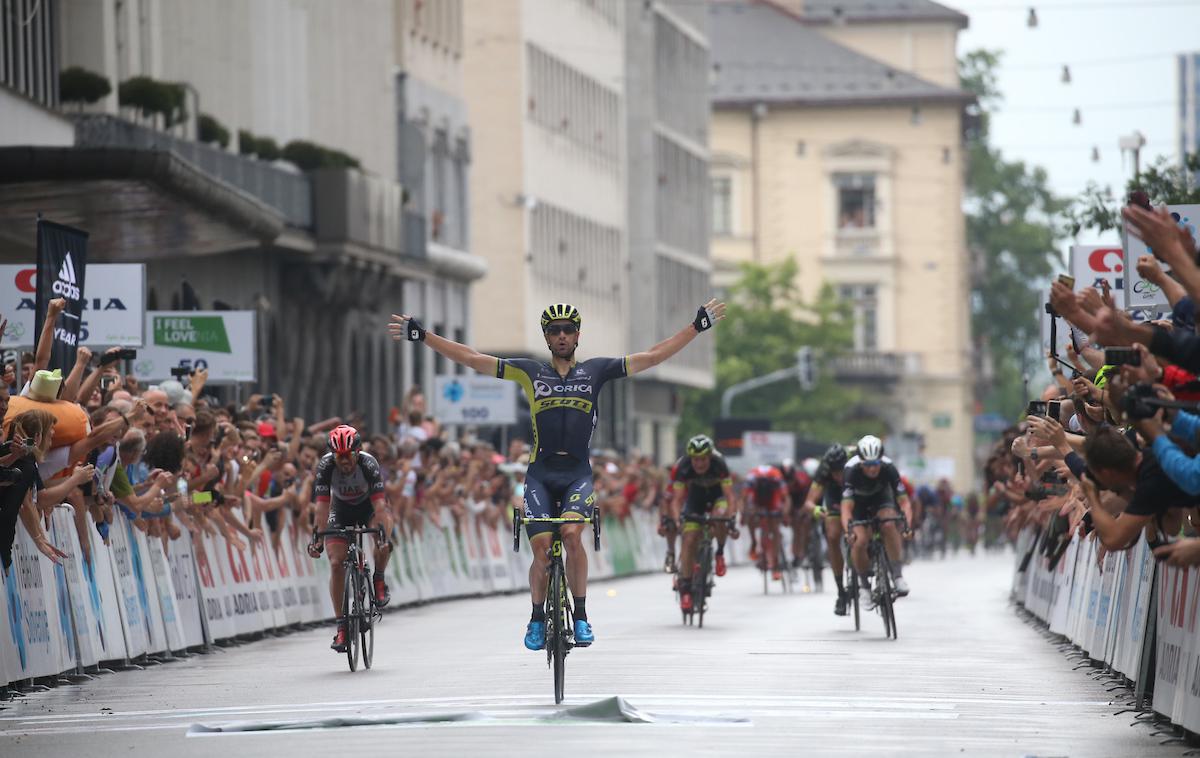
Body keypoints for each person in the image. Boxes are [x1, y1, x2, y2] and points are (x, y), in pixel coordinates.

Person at [389, 298, 726, 650]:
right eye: (554, 331)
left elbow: (652, 356)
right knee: (541, 549)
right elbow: (473, 359)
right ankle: (536, 617)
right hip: (540, 475)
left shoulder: (596, 371)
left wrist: (696, 327)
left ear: (577, 335)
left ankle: (580, 615)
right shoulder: (530, 372)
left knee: (571, 535)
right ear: (547, 338)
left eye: (568, 329)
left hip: (577, 474)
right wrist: (423, 335)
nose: (562, 335)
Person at [306, 425, 393, 653]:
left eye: (348, 455)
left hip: (368, 506)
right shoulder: (325, 466)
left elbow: (380, 505)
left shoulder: (368, 464)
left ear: (358, 451)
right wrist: (316, 540)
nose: (344, 461)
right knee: (336, 563)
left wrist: (382, 536)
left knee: (383, 538)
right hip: (341, 509)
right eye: (339, 456)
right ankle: (342, 627)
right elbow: (321, 508)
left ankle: (379, 579)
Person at [841, 435, 913, 610]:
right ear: (860, 462)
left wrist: (907, 525)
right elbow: (846, 508)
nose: (872, 469)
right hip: (858, 503)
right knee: (860, 541)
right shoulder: (851, 471)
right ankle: (864, 586)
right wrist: (848, 531)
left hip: (881, 498)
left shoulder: (889, 467)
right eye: (868, 465)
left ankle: (897, 576)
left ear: (881, 460)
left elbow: (904, 502)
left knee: (889, 524)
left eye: (875, 464)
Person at [670, 435, 735, 612]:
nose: (699, 464)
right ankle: (686, 589)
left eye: (703, 459)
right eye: (696, 460)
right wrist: (677, 519)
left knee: (720, 517)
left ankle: (719, 553)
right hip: (695, 500)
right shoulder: (682, 466)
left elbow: (729, 495)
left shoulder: (719, 463)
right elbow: (676, 500)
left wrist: (732, 516)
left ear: (710, 457)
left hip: (717, 497)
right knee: (689, 539)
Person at [805, 444, 851, 615]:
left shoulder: (855, 463)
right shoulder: (824, 470)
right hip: (834, 497)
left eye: (841, 471)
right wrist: (816, 510)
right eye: (834, 472)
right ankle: (841, 591)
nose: (838, 476)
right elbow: (809, 502)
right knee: (832, 536)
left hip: (855, 491)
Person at [743, 463, 789, 580]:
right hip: (757, 499)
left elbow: (786, 498)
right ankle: (754, 542)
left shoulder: (776, 477)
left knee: (775, 530)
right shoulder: (752, 477)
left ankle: (775, 564)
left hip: (773, 499)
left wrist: (784, 513)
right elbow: (743, 498)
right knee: (751, 515)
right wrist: (744, 514)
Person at [779, 457, 814, 570]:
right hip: (790, 501)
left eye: (790, 480)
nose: (788, 483)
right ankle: (796, 554)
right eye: (786, 480)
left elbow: (808, 499)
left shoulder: (803, 480)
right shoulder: (780, 482)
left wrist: (803, 511)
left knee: (804, 524)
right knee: (795, 527)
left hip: (803, 498)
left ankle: (805, 549)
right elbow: (782, 500)